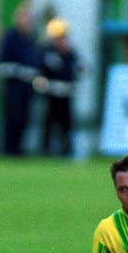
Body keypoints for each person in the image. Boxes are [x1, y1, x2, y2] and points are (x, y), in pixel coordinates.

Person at [0, 1, 39, 156]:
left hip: (28, 88)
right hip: (13, 86)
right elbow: (2, 64)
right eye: (25, 17)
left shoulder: (32, 38)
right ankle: (9, 149)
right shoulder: (11, 37)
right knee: (12, 117)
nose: (27, 21)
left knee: (24, 118)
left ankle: (19, 149)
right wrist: (22, 72)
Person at [35, 18, 82, 156]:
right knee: (48, 122)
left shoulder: (70, 53)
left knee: (67, 123)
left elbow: (76, 70)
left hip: (66, 92)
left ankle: (66, 150)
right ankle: (45, 150)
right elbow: (40, 71)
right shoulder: (46, 51)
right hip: (51, 93)